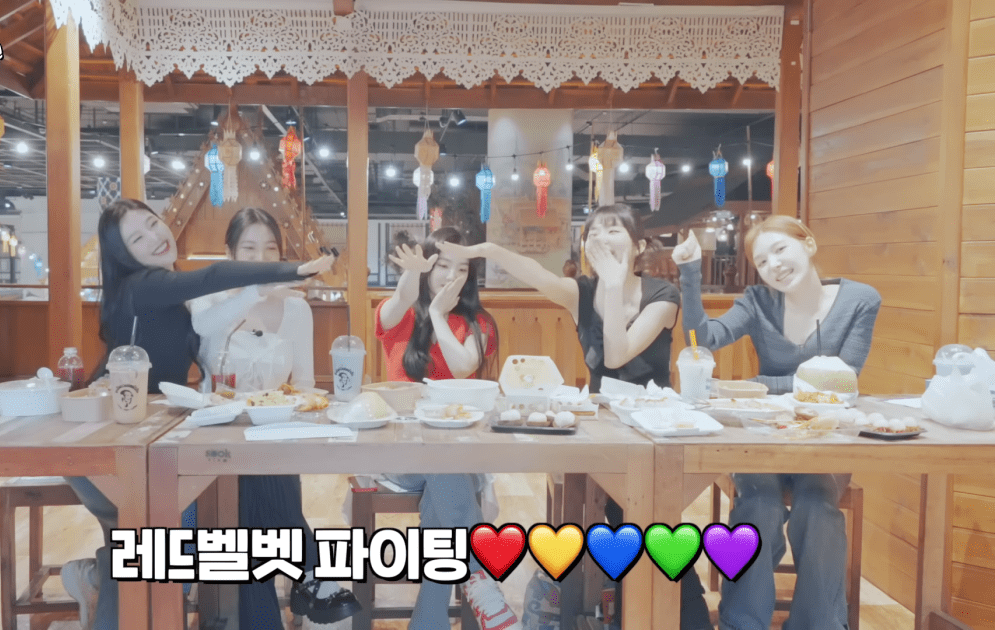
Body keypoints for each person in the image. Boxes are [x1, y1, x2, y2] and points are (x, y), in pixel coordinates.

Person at [62, 199, 335, 630]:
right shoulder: (144, 285)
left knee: (157, 544)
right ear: (123, 254)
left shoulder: (172, 290)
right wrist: (292, 270)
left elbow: (211, 318)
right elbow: (211, 281)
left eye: (153, 223)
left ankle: (105, 581)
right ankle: (102, 580)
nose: (155, 237)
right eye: (137, 238)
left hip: (148, 434)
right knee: (145, 550)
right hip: (111, 435)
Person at [438, 204, 713, 630]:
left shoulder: (663, 295)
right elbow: (534, 272)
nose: (600, 237)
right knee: (625, 520)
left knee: (642, 518)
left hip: (655, 427)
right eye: (593, 232)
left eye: (613, 229)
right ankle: (625, 611)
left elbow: (617, 355)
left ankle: (669, 615)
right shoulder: (581, 292)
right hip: (602, 424)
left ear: (639, 245)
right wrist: (489, 249)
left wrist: (615, 285)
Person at [672, 215, 881, 630]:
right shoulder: (758, 301)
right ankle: (742, 623)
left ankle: (819, 625)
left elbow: (842, 380)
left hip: (823, 438)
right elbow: (701, 340)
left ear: (808, 243)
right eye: (763, 261)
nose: (774, 266)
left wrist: (756, 384)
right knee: (758, 506)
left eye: (780, 249)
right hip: (762, 435)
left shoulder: (860, 300)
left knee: (818, 507)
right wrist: (690, 273)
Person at [187, 208, 360, 628]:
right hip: (215, 439)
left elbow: (304, 384)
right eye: (249, 249)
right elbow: (205, 330)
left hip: (276, 433)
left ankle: (275, 603)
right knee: (251, 481)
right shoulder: (207, 301)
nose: (261, 258)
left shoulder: (296, 308)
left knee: (256, 488)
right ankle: (311, 570)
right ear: (229, 254)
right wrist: (252, 290)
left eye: (269, 249)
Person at [375, 227, 517, 630]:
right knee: (447, 464)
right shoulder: (399, 312)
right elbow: (401, 298)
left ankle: (428, 621)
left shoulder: (478, 322)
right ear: (427, 267)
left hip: (454, 454)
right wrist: (413, 274)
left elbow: (462, 367)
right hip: (399, 452)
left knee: (443, 489)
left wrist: (439, 314)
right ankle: (479, 577)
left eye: (462, 269)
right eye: (442, 265)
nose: (452, 275)